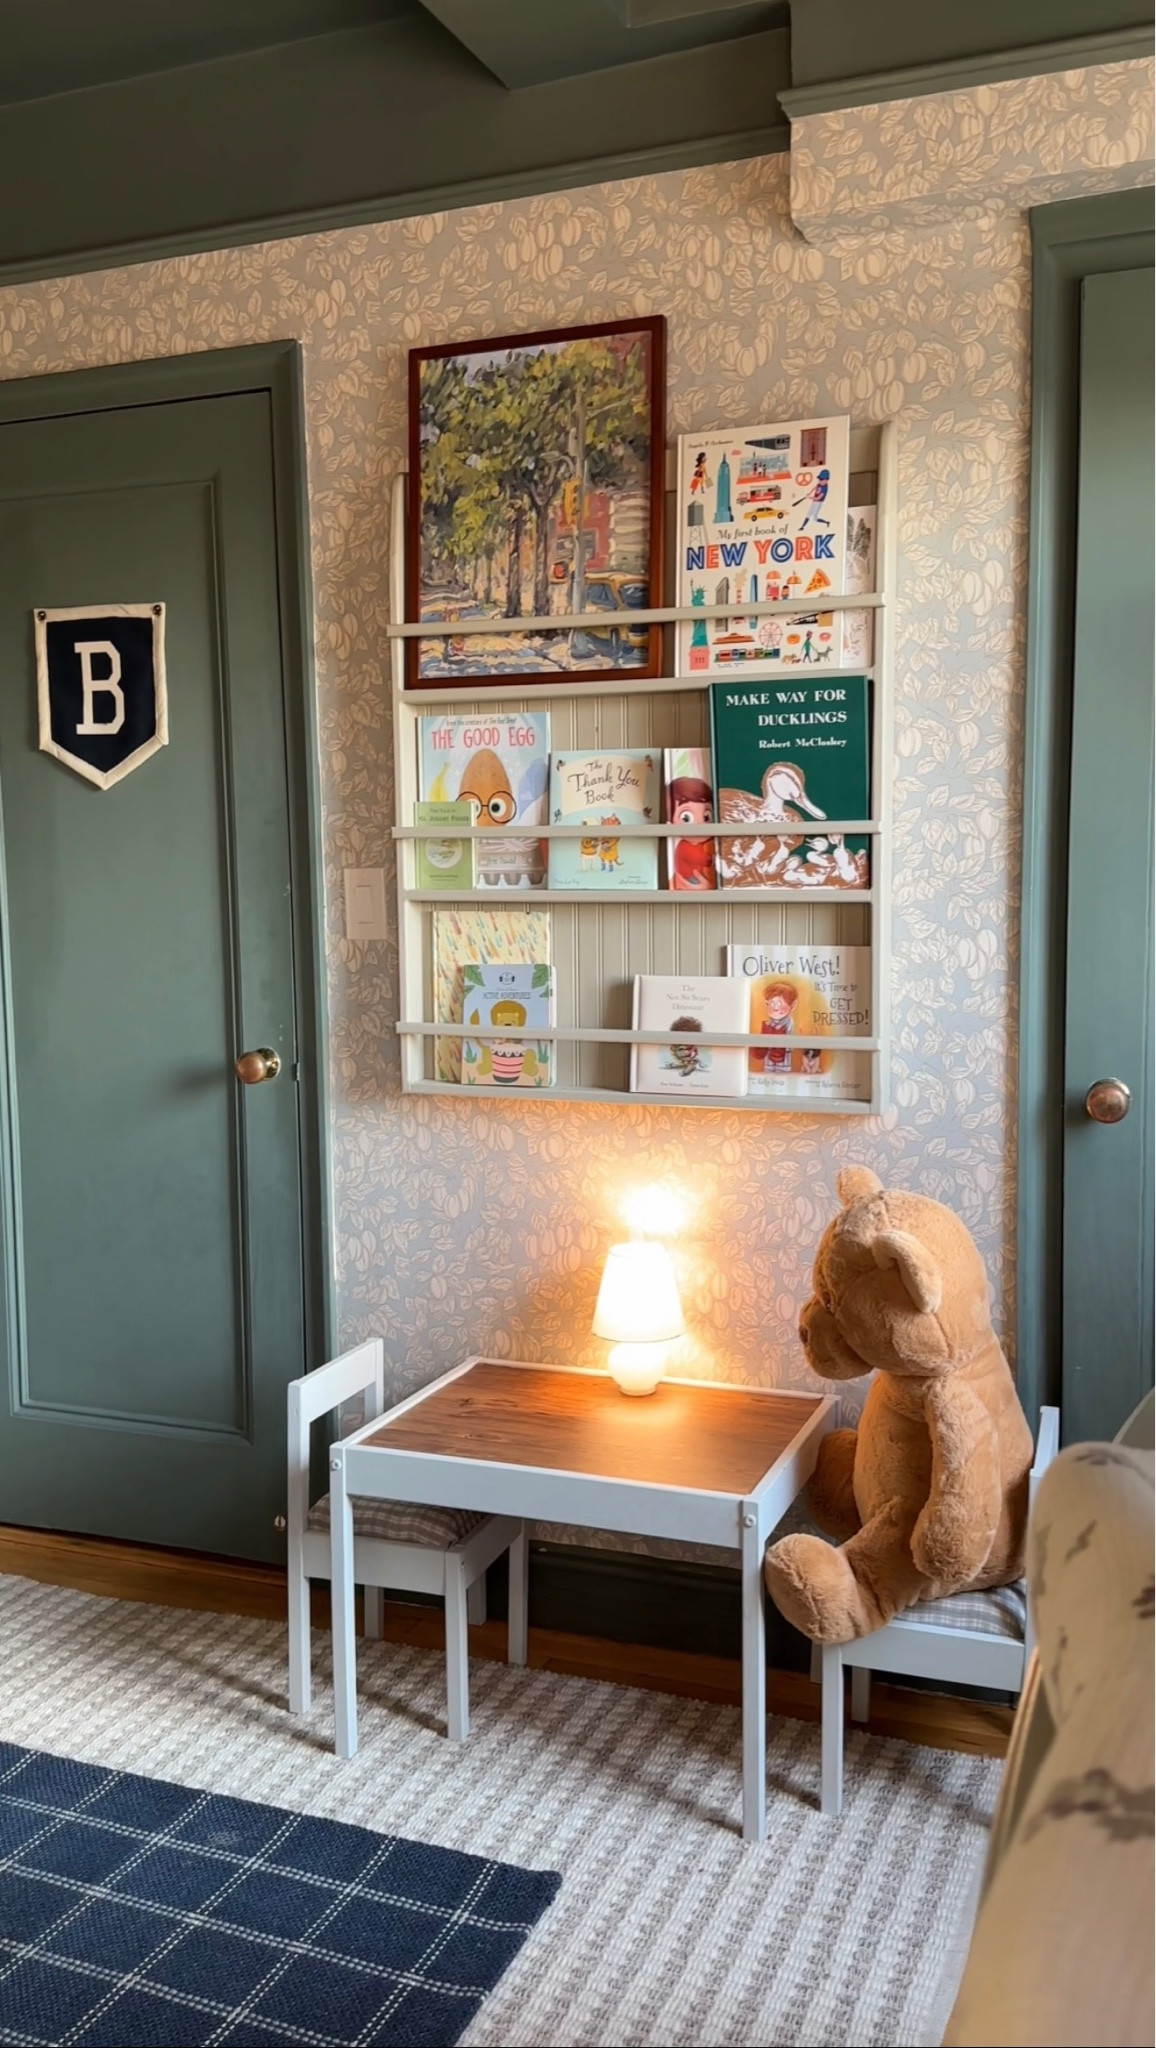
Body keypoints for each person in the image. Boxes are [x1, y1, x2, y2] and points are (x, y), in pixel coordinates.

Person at [667, 775, 716, 890]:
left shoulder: (707, 842)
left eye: (706, 817)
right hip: (692, 880)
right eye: (686, 818)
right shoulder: (685, 847)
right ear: (670, 824)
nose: (700, 824)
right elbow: (706, 859)